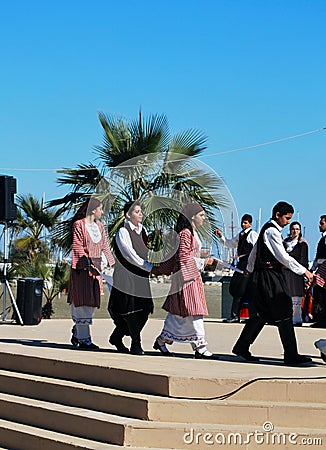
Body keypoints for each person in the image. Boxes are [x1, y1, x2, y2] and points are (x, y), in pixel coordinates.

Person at [232, 201, 314, 365]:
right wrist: (304, 271)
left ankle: (242, 346)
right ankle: (291, 354)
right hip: (270, 276)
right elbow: (283, 257)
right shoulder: (272, 232)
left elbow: (255, 251)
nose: (288, 222)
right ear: (278, 215)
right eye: (287, 218)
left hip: (263, 275)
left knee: (261, 314)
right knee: (284, 312)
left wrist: (249, 268)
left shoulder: (266, 230)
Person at [153, 202, 219, 359]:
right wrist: (204, 263)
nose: (204, 218)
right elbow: (183, 257)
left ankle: (163, 340)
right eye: (201, 215)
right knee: (194, 311)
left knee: (181, 313)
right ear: (192, 216)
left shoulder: (191, 233)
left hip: (191, 276)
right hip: (186, 278)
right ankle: (200, 347)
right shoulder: (185, 233)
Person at [108, 201, 154, 355]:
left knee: (144, 309)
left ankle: (117, 336)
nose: (140, 214)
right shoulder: (123, 231)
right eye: (136, 211)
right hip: (127, 276)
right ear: (128, 214)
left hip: (141, 276)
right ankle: (136, 343)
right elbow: (129, 254)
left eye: (141, 211)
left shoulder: (144, 230)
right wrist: (147, 266)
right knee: (130, 310)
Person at [68, 198, 115, 349]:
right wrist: (87, 264)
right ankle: (84, 340)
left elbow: (105, 246)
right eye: (101, 209)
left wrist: (112, 263)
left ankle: (78, 330)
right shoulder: (79, 225)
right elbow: (77, 246)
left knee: (92, 303)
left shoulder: (100, 226)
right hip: (82, 270)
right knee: (82, 303)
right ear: (93, 210)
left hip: (96, 270)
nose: (102, 212)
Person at [215, 214, 258, 322]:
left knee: (244, 290)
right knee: (237, 289)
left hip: (248, 264)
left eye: (246, 223)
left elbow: (256, 249)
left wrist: (251, 266)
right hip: (241, 263)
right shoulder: (240, 235)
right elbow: (230, 244)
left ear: (250, 224)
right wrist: (221, 237)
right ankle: (236, 315)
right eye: (242, 222)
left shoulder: (253, 235)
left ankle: (239, 315)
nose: (243, 225)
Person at [283, 221, 309, 326]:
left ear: (300, 231)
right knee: (286, 295)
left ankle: (297, 318)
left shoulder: (302, 243)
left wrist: (303, 272)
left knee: (296, 296)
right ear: (290, 230)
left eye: (297, 229)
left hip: (297, 273)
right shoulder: (285, 242)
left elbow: (304, 259)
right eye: (293, 229)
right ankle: (286, 318)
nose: (295, 231)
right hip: (285, 272)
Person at [311, 215, 326, 328]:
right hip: (321, 267)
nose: (319, 225)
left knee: (322, 294)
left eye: (322, 223)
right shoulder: (322, 239)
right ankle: (320, 319)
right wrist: (311, 269)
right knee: (319, 294)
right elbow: (317, 257)